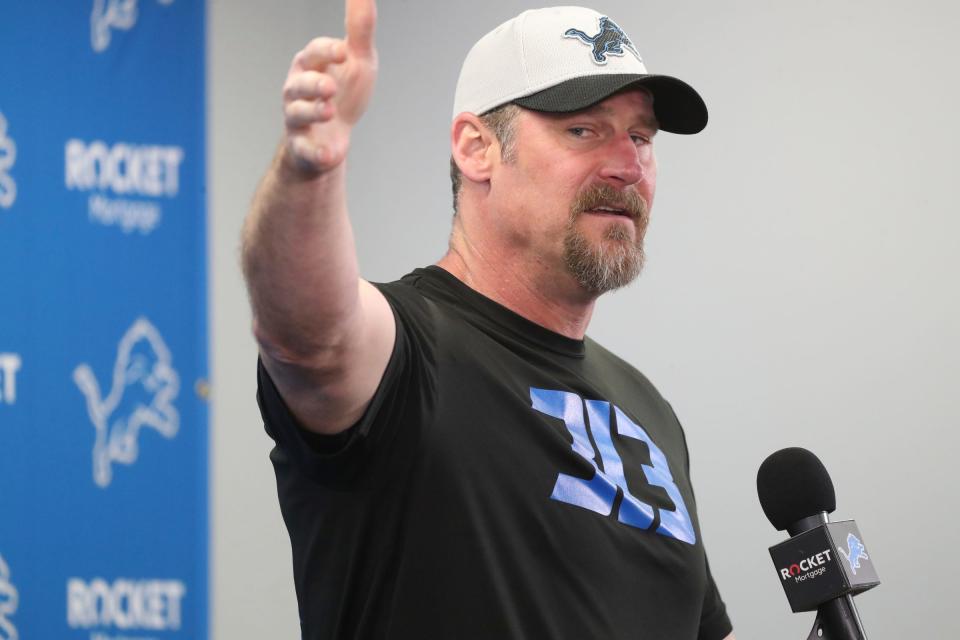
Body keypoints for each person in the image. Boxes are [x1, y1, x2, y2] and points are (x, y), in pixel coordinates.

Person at [242, 1, 735, 638]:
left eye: (641, 138)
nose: (628, 164)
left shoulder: (650, 412)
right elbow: (308, 333)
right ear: (477, 149)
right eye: (583, 130)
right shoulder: (408, 352)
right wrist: (306, 171)